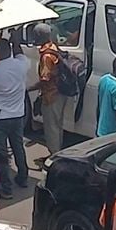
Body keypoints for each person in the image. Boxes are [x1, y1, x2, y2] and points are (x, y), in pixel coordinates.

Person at [0, 37, 31, 198]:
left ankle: (7, 188)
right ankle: (23, 178)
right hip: (18, 115)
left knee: (1, 154)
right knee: (18, 148)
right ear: (10, 50)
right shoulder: (22, 65)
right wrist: (15, 39)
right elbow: (20, 53)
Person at [28, 23, 67, 159]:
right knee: (57, 126)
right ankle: (58, 153)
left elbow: (45, 79)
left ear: (38, 36)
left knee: (51, 129)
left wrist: (29, 88)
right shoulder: (54, 47)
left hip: (51, 96)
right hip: (60, 93)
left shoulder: (46, 56)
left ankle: (54, 157)